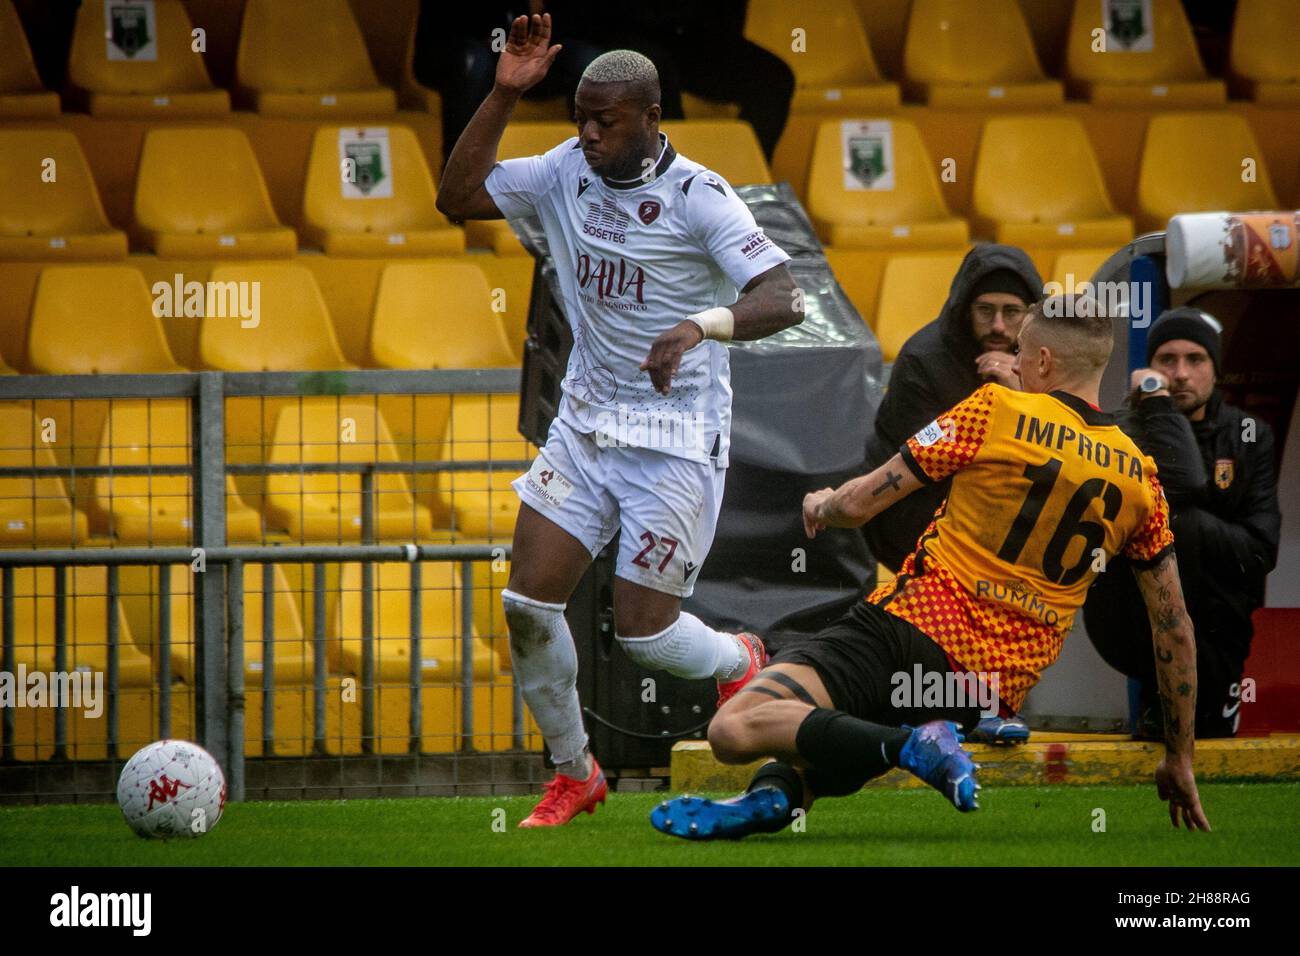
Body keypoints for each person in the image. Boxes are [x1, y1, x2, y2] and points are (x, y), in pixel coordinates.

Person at [651, 294, 1211, 840]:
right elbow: (1174, 628)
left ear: (1042, 361)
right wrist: (1179, 758)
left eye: (1021, 351)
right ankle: (775, 796)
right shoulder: (1141, 478)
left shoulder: (997, 409)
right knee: (836, 736)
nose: (1014, 362)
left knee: (735, 727)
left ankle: (913, 745)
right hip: (986, 690)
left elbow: (860, 504)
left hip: (912, 627)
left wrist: (821, 502)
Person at [436, 15, 803, 827]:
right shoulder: (564, 170)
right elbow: (456, 196)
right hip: (586, 423)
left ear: (652, 118)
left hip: (675, 440)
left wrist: (699, 324)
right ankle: (575, 773)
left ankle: (738, 657)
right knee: (527, 608)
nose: (590, 134)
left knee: (645, 637)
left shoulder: (698, 195)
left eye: (607, 121)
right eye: (580, 118)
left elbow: (784, 297)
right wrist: (502, 94)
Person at [863, 244, 1041, 743]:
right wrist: (998, 400)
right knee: (972, 567)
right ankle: (965, 710)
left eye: (1012, 312)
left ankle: (985, 702)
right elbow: (940, 466)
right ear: (965, 309)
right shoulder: (924, 360)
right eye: (986, 311)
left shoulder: (1041, 362)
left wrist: (1019, 391)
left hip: (988, 506)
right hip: (906, 506)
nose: (999, 326)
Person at [1084, 307, 1280, 738]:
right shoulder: (1121, 428)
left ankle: (1211, 698)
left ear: (1215, 369)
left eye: (1196, 360)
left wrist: (1186, 524)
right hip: (1130, 615)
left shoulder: (1249, 435)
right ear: (1147, 370)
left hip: (1217, 613)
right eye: (1166, 361)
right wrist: (1154, 407)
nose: (1181, 373)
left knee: (1179, 524)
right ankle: (1164, 695)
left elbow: (1261, 551)